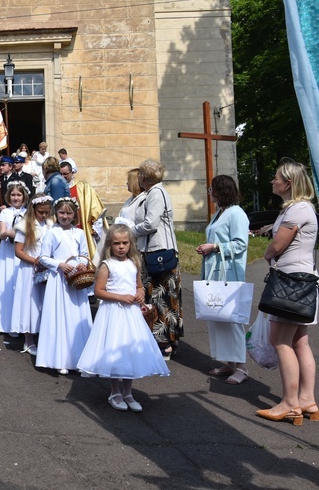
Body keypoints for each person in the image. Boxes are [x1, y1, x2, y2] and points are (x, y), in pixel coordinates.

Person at [77, 224, 170, 411]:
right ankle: (115, 392)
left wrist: (141, 292)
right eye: (116, 243)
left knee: (130, 351)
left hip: (131, 313)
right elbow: (99, 291)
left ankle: (128, 392)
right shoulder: (106, 265)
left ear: (130, 244)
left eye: (125, 243)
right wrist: (120, 297)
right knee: (115, 350)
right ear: (110, 245)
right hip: (113, 313)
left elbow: (138, 285)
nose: (121, 247)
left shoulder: (133, 263)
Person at [256, 160, 319, 425]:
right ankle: (307, 400)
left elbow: (278, 246)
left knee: (280, 340)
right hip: (303, 279)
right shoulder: (303, 208)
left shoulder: (297, 209)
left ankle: (290, 403)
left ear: (289, 183)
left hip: (290, 281)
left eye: (276, 178)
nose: (273, 181)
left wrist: (267, 252)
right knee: (299, 342)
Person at [194, 175, 250, 384]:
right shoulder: (220, 212)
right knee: (218, 318)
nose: (209, 192)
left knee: (232, 319)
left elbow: (240, 244)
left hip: (229, 274)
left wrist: (215, 247)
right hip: (214, 272)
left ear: (220, 190)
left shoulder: (236, 214)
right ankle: (229, 362)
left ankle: (242, 367)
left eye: (212, 189)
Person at [131, 159, 182, 360]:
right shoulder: (154, 192)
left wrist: (130, 230)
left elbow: (151, 223)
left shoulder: (156, 193)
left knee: (162, 298)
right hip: (155, 251)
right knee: (162, 297)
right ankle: (166, 340)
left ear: (144, 177)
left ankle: (165, 344)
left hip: (160, 252)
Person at [35, 197, 92, 375]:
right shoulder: (52, 233)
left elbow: (84, 254)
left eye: (68, 213)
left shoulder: (79, 233)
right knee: (60, 317)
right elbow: (43, 257)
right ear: (56, 214)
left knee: (77, 315)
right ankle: (61, 358)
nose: (65, 216)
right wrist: (59, 264)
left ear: (74, 215)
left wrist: (83, 263)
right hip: (59, 280)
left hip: (77, 279)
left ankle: (81, 357)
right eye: (61, 213)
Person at [12, 194, 53, 354]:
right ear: (33, 209)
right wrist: (35, 261)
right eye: (41, 212)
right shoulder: (24, 226)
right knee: (30, 304)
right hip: (30, 269)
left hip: (47, 268)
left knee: (45, 303)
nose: (44, 215)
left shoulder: (50, 224)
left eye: (47, 212)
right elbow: (18, 251)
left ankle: (43, 335)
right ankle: (28, 341)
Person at [0, 181, 29, 334]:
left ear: (24, 196)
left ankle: (22, 324)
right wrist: (9, 233)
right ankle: (7, 324)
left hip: (22, 253)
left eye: (18, 195)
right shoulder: (5, 213)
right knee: (8, 286)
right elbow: (1, 234)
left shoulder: (28, 213)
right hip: (8, 253)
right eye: (13, 195)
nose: (15, 198)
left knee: (21, 287)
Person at [61, 158, 107, 262]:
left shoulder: (84, 187)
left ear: (72, 173)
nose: (63, 177)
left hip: (81, 230)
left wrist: (96, 227)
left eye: (65, 174)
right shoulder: (57, 188)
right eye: (61, 174)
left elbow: (97, 210)